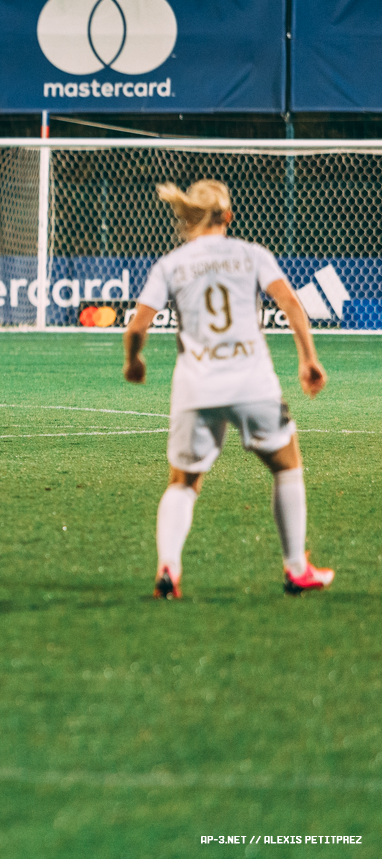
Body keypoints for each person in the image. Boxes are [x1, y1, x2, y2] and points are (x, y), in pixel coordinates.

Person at [123, 179, 332, 598]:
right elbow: (291, 304)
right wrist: (308, 358)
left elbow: (137, 325)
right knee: (286, 464)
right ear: (229, 217)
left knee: (182, 481)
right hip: (252, 381)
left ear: (187, 219)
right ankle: (296, 568)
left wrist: (134, 361)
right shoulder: (251, 254)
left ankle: (169, 566)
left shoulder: (171, 264)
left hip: (195, 387)